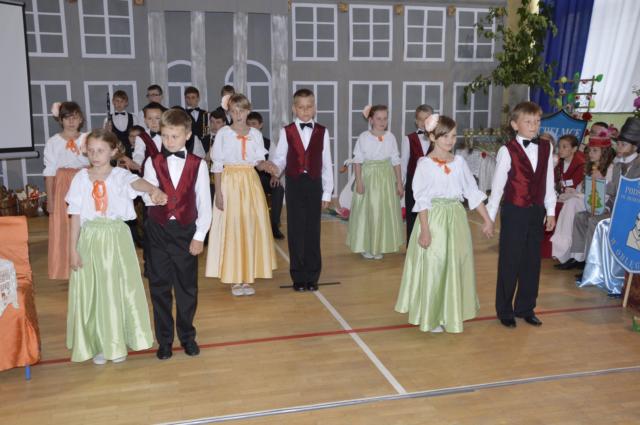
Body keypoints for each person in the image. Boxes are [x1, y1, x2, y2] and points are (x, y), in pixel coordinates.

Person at [66, 129, 166, 364]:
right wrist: (72, 250)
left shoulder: (121, 175)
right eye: (91, 151)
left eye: (100, 151)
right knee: (94, 291)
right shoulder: (80, 178)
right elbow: (75, 217)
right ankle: (99, 344)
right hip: (90, 239)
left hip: (116, 238)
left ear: (113, 151)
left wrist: (153, 189)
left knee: (116, 289)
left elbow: (138, 183)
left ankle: (116, 341)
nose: (95, 155)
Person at [395, 114, 493, 333]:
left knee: (455, 265)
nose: (450, 140)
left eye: (453, 136)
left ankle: (450, 311)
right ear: (432, 137)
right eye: (445, 136)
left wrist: (487, 219)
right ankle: (433, 315)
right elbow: (422, 199)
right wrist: (425, 230)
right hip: (434, 219)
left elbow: (471, 191)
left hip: (456, 218)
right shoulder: (424, 165)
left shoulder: (459, 163)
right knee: (435, 266)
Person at [143, 108, 212, 360]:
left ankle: (187, 336)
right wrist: (153, 195)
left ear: (187, 135)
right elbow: (146, 193)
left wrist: (199, 236)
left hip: (185, 232)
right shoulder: (152, 162)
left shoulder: (198, 164)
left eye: (175, 136)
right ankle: (164, 340)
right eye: (165, 136)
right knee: (159, 287)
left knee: (186, 288)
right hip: (158, 231)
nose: (169, 141)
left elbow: (204, 202)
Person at [486, 101, 556, 328]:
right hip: (514, 212)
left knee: (532, 262)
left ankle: (526, 307)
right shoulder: (507, 150)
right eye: (528, 121)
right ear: (515, 125)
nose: (534, 125)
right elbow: (497, 188)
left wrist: (551, 211)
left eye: (537, 121)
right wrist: (489, 218)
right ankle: (504, 309)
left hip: (536, 211)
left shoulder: (546, 147)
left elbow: (549, 181)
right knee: (510, 261)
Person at [205, 94, 277, 296]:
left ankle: (246, 276)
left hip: (250, 182)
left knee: (249, 226)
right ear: (229, 112)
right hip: (230, 183)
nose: (238, 115)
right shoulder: (223, 134)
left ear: (248, 111)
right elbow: (217, 165)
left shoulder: (255, 134)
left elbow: (257, 162)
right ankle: (234, 278)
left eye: (242, 111)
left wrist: (267, 165)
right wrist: (219, 193)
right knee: (233, 227)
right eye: (234, 111)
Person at [271, 88, 334, 292]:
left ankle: (312, 276)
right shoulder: (287, 131)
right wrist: (275, 170)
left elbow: (327, 163)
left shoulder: (322, 131)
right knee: (296, 230)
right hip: (295, 184)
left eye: (309, 107)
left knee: (313, 230)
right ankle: (298, 276)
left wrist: (327, 192)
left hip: (314, 183)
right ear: (294, 109)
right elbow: (281, 158)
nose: (305, 111)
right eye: (301, 107)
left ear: (314, 108)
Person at [347, 104, 404, 259]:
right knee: (369, 211)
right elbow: (358, 161)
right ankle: (367, 245)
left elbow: (395, 161)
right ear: (371, 120)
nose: (382, 122)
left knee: (383, 211)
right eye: (378, 119)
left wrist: (399, 182)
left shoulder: (391, 137)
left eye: (385, 118)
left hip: (386, 178)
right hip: (369, 177)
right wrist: (359, 181)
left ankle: (380, 245)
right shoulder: (364, 137)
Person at [43, 101, 89, 280]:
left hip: (84, 182)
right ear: (60, 120)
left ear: (81, 119)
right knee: (64, 225)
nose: (71, 121)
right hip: (63, 185)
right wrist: (51, 200)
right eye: (67, 117)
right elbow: (49, 172)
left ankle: (87, 264)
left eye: (75, 117)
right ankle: (65, 267)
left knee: (86, 223)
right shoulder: (53, 142)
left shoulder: (87, 138)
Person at [553, 133, 614, 269]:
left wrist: (600, 180)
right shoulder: (590, 167)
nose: (590, 154)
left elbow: (606, 195)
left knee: (571, 203)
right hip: (587, 202)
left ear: (604, 153)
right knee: (571, 204)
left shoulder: (610, 169)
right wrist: (574, 192)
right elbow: (582, 187)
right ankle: (573, 255)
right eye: (590, 150)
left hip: (601, 205)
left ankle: (569, 253)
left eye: (595, 151)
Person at [542, 134, 585, 259]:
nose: (560, 150)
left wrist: (559, 189)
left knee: (555, 208)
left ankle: (555, 249)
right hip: (559, 195)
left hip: (572, 198)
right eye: (559, 146)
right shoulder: (559, 163)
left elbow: (574, 185)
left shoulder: (580, 165)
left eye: (564, 147)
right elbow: (554, 181)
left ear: (574, 149)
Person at [247, 111, 285, 240]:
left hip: (264, 178)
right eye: (248, 124)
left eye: (254, 124)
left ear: (260, 125)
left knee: (278, 188)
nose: (251, 127)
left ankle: (274, 225)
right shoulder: (242, 141)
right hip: (248, 179)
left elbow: (276, 162)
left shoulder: (268, 143)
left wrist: (275, 176)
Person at [401, 104, 433, 244]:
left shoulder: (438, 139)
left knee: (431, 216)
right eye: (420, 119)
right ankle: (411, 248)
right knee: (413, 216)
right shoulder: (408, 139)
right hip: (413, 185)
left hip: (433, 185)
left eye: (427, 119)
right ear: (416, 121)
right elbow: (403, 164)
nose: (423, 122)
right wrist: (401, 184)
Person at [130, 102, 164, 173]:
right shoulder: (141, 137)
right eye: (149, 118)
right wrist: (137, 163)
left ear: (163, 119)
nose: (153, 122)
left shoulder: (170, 134)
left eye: (157, 118)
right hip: (149, 173)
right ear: (145, 120)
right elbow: (139, 154)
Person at [105, 90, 139, 156]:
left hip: (130, 150)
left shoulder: (133, 118)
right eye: (117, 101)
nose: (119, 103)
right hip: (114, 151)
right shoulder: (107, 119)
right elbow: (105, 138)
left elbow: (137, 135)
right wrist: (107, 131)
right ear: (113, 102)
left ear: (126, 103)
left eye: (122, 101)